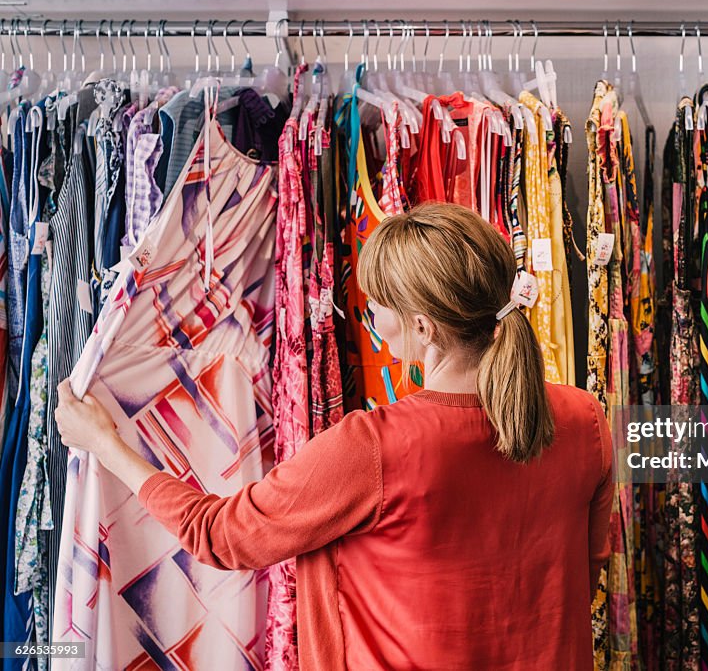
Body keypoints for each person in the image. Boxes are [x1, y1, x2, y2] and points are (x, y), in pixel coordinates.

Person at [55, 201, 613, 670]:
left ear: (423, 327)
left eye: (377, 309)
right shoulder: (584, 420)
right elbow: (580, 579)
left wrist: (108, 446)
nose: (372, 322)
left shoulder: (376, 448)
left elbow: (222, 535)